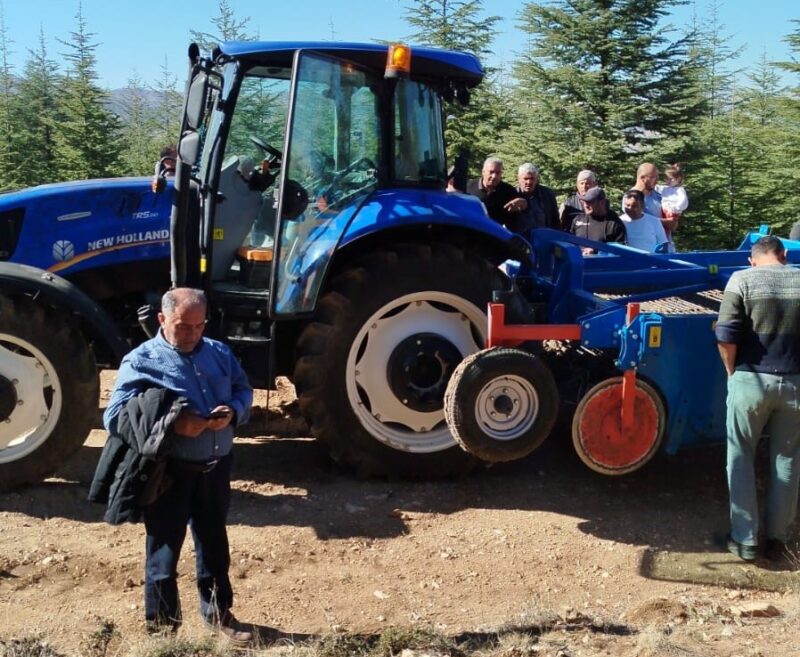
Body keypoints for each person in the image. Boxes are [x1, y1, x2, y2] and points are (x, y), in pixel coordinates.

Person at [103, 288, 254, 642]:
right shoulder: (141, 361)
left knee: (214, 545)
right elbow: (114, 417)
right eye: (183, 326)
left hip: (215, 468)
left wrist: (233, 411)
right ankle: (162, 630)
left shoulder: (219, 353)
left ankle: (218, 615)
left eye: (200, 325)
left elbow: (242, 388)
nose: (193, 334)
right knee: (163, 551)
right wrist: (174, 426)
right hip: (170, 473)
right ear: (162, 319)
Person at [715, 235, 800, 563]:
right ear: (782, 255)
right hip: (795, 383)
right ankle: (778, 540)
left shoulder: (742, 279)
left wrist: (731, 371)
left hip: (751, 380)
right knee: (787, 459)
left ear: (753, 258)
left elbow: (725, 334)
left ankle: (745, 539)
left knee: (740, 456)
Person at [466, 156, 526, 229]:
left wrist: (524, 204)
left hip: (496, 235)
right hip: (471, 231)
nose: (494, 176)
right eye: (491, 172)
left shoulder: (509, 191)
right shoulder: (468, 187)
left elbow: (521, 212)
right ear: (483, 172)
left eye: (498, 173)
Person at [569, 187, 626, 255]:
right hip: (577, 263)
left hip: (601, 264)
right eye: (584, 201)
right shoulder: (578, 219)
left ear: (601, 202)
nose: (586, 205)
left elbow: (619, 251)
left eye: (590, 202)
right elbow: (569, 242)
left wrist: (596, 252)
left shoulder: (614, 223)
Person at [514, 163, 560, 233]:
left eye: (532, 178)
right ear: (519, 178)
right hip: (519, 239)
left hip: (544, 238)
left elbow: (555, 221)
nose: (529, 182)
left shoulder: (547, 194)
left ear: (537, 178)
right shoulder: (512, 194)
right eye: (525, 179)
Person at [656, 163, 689, 245]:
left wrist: (676, 208)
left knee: (667, 228)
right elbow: (657, 188)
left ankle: (666, 242)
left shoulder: (679, 190)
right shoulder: (665, 188)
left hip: (672, 212)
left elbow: (683, 201)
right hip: (664, 210)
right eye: (667, 178)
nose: (668, 181)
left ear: (678, 179)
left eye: (671, 179)